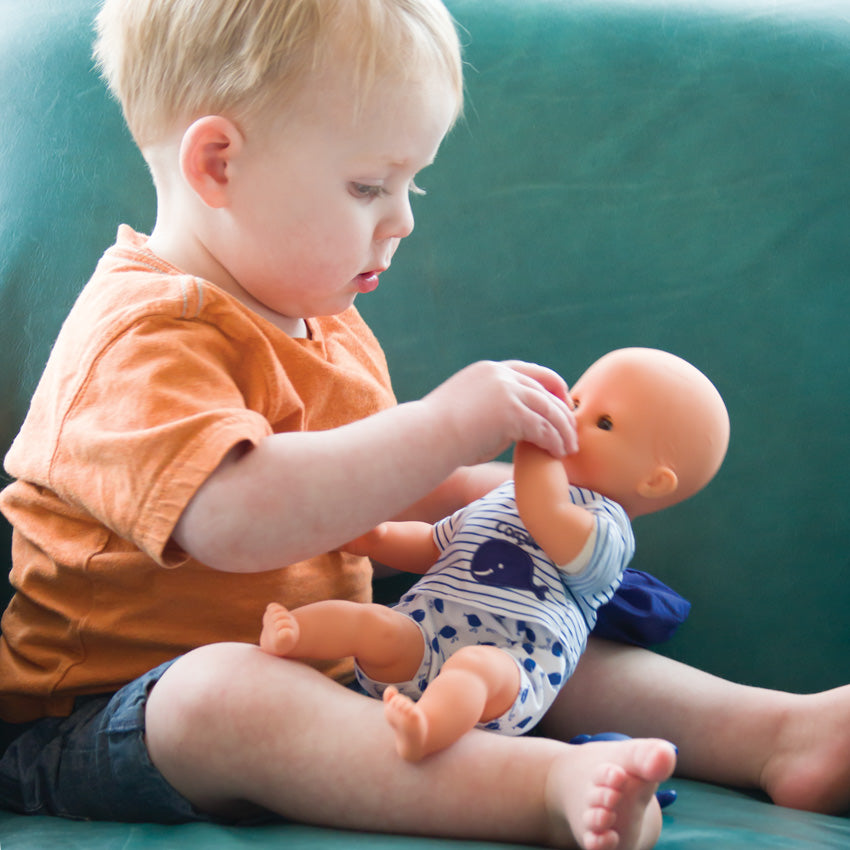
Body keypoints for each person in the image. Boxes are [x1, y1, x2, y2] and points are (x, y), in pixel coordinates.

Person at [0, 1, 847, 849]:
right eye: (370, 186)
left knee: (515, 623)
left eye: (413, 184)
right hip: (102, 722)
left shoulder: (317, 316)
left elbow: (389, 485)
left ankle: (778, 734)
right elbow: (233, 518)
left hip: (329, 674)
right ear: (218, 164)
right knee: (220, 695)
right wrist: (446, 422)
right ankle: (545, 789)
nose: (402, 219)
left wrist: (520, 496)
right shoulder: (142, 336)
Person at [259, 348, 730, 762]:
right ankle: (291, 634)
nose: (572, 417)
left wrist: (533, 439)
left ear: (652, 482)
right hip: (425, 634)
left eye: (603, 423)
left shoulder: (607, 535)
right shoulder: (504, 497)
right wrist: (378, 540)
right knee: (371, 624)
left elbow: (545, 510)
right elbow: (435, 545)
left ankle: (429, 729)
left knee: (474, 670)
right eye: (577, 402)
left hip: (513, 663)